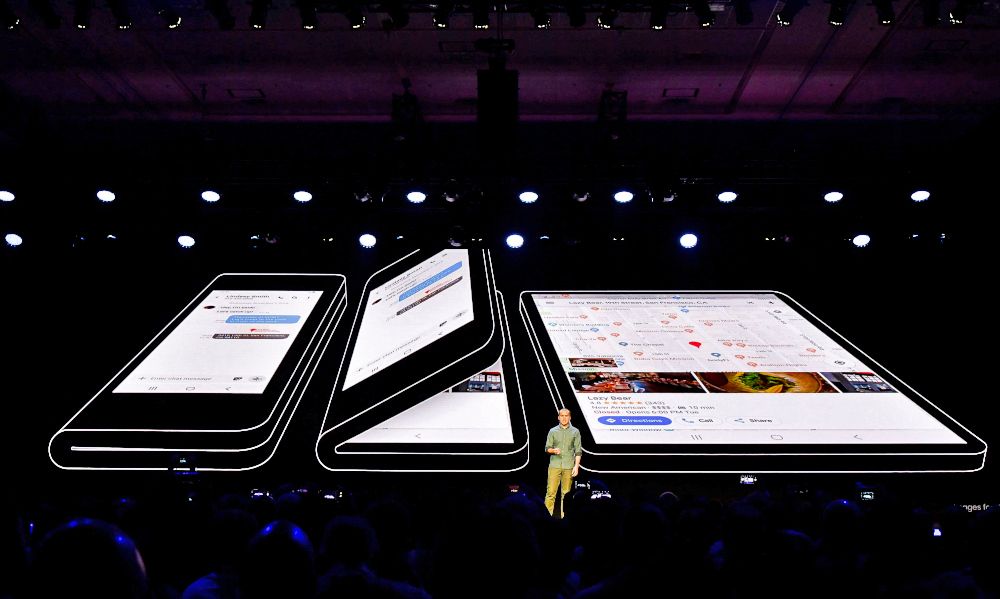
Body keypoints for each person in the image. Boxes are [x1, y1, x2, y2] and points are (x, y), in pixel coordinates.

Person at [544, 408, 582, 518]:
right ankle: (546, 518)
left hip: (569, 466)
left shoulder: (575, 432)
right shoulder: (552, 431)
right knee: (551, 493)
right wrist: (553, 450)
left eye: (566, 416)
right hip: (554, 465)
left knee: (566, 494)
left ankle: (564, 518)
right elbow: (547, 448)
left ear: (570, 417)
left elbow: (578, 451)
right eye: (562, 415)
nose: (564, 418)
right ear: (558, 417)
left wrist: (576, 466)